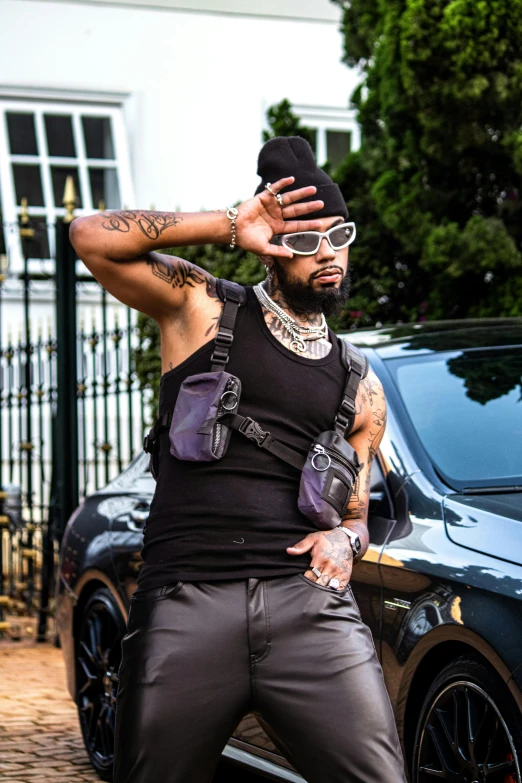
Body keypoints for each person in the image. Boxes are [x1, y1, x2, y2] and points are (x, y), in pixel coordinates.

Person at [70, 136, 407, 783]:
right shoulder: (202, 307)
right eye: (305, 241)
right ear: (275, 251)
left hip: (309, 609)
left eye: (338, 234)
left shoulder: (360, 384)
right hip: (187, 600)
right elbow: (90, 236)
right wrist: (229, 224)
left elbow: (359, 512)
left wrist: (346, 537)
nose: (328, 252)